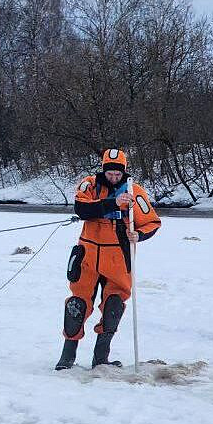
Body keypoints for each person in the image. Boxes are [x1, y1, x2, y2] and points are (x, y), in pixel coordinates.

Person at [55, 148, 161, 370]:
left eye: (118, 174)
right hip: (88, 254)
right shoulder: (89, 185)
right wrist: (113, 203)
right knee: (77, 305)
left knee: (114, 306)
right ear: (103, 170)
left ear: (124, 172)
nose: (114, 177)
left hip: (118, 258)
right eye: (110, 173)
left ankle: (101, 358)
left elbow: (152, 222)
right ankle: (67, 358)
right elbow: (81, 209)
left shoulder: (136, 192)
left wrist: (138, 235)